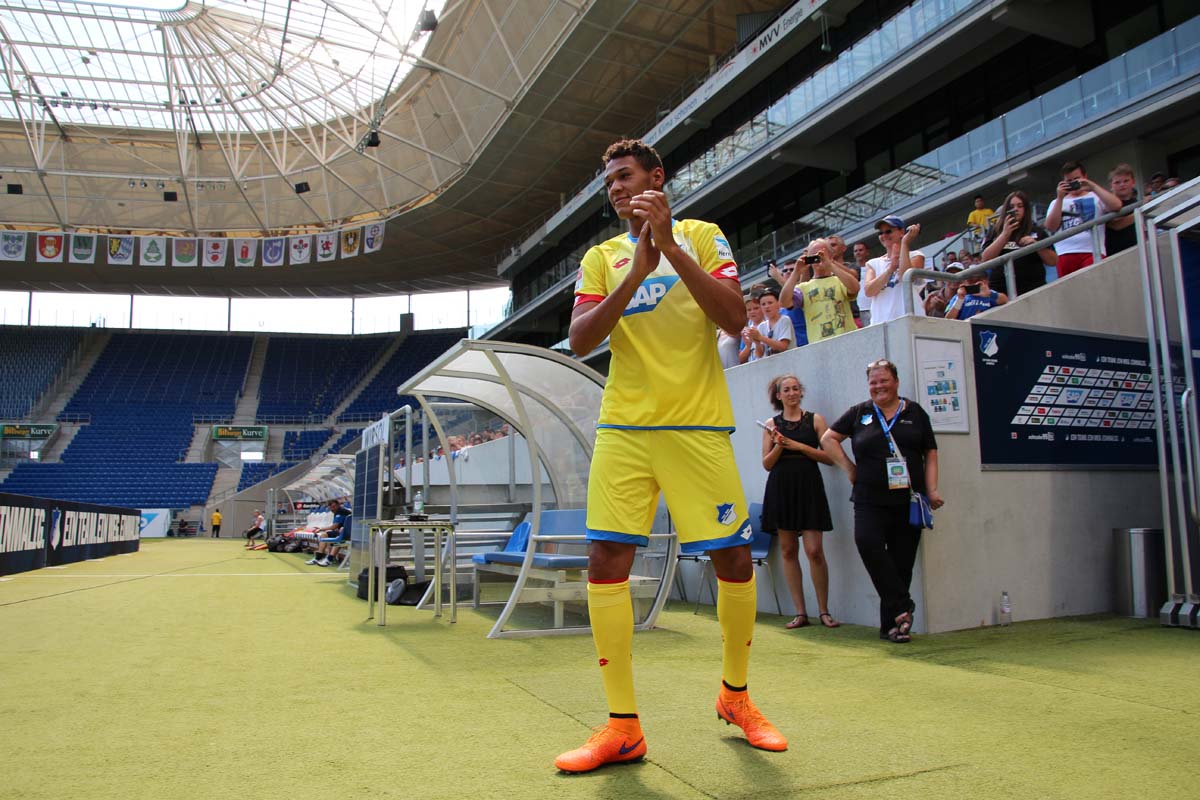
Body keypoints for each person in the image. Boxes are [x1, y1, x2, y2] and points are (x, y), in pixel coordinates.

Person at [562, 138, 786, 773]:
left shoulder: (704, 236)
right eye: (609, 181)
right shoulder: (601, 257)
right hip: (625, 427)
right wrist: (636, 269)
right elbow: (580, 340)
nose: (615, 188)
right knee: (605, 561)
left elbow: (735, 318)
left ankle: (735, 697)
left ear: (656, 178)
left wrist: (669, 250)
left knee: (733, 559)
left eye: (625, 176)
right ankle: (622, 727)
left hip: (697, 424)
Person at [820, 359, 942, 643]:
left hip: (908, 500)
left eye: (884, 380)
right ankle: (902, 605)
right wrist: (850, 469)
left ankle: (892, 627)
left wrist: (932, 490)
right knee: (867, 543)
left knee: (901, 563)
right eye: (873, 382)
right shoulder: (860, 412)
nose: (878, 386)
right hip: (869, 499)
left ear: (896, 382)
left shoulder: (915, 413)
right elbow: (828, 439)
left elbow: (931, 453)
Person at [760, 375, 838, 630]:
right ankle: (800, 613)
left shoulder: (816, 420)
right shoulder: (771, 424)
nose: (792, 393)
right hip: (781, 489)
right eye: (787, 390)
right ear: (779, 395)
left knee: (814, 551)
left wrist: (799, 446)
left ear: (800, 392)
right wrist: (780, 445)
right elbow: (767, 464)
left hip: (809, 487)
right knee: (788, 550)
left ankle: (824, 611)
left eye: (795, 388)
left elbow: (830, 457)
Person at [1044, 161, 1122, 278]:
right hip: (1065, 253)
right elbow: (1050, 226)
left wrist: (1093, 187)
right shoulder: (1056, 202)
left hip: (1092, 250)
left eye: (1077, 179)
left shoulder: (1096, 196)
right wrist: (1060, 198)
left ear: (1084, 176)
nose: (1073, 183)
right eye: (1069, 181)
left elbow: (1116, 205)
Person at [780, 238, 859, 343]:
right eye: (814, 256)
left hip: (848, 340)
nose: (818, 259)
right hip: (819, 344)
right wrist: (796, 272)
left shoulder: (840, 280)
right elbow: (784, 302)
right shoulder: (803, 288)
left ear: (830, 256)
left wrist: (830, 265)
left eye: (822, 255)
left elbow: (855, 288)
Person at [981, 190, 1056, 297]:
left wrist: (1037, 246)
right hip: (1003, 292)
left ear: (1026, 209)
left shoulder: (1037, 231)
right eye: (1012, 207)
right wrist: (1004, 235)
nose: (1015, 209)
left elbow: (1053, 261)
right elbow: (985, 258)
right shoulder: (995, 231)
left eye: (1020, 206)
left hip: (1033, 288)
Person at [863, 216, 927, 325]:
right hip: (882, 323)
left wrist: (905, 243)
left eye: (888, 231)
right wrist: (890, 269)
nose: (884, 235)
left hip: (910, 320)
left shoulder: (916, 256)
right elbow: (869, 291)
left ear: (902, 232)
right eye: (880, 233)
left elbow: (906, 276)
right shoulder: (872, 263)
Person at [305, 498, 352, 567]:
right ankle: (318, 557)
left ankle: (329, 560)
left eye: (334, 506)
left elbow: (334, 527)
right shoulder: (337, 512)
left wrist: (320, 529)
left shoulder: (341, 511)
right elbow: (335, 527)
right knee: (324, 535)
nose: (332, 509)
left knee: (339, 538)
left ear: (338, 505)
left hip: (348, 534)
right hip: (343, 532)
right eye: (331, 507)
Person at [1105, 164, 1139, 255]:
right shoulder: (1107, 203)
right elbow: (1116, 225)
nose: (1122, 185)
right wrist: (1142, 210)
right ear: (1111, 185)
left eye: (1126, 181)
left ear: (1133, 182)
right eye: (1117, 182)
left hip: (1137, 250)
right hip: (1114, 254)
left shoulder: (1136, 202)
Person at [753, 288, 793, 356]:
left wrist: (760, 337)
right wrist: (757, 342)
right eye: (763, 304)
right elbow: (759, 354)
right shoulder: (761, 326)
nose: (767, 306)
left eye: (770, 303)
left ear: (778, 304)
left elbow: (783, 346)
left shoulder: (784, 320)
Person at [738, 295, 765, 364]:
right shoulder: (745, 331)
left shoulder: (768, 325)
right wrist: (748, 346)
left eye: (756, 308)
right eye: (749, 310)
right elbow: (740, 359)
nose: (752, 312)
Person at [852, 241, 872, 324]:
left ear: (867, 252)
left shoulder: (873, 266)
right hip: (860, 310)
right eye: (855, 251)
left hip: (874, 306)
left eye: (860, 250)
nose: (858, 253)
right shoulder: (851, 270)